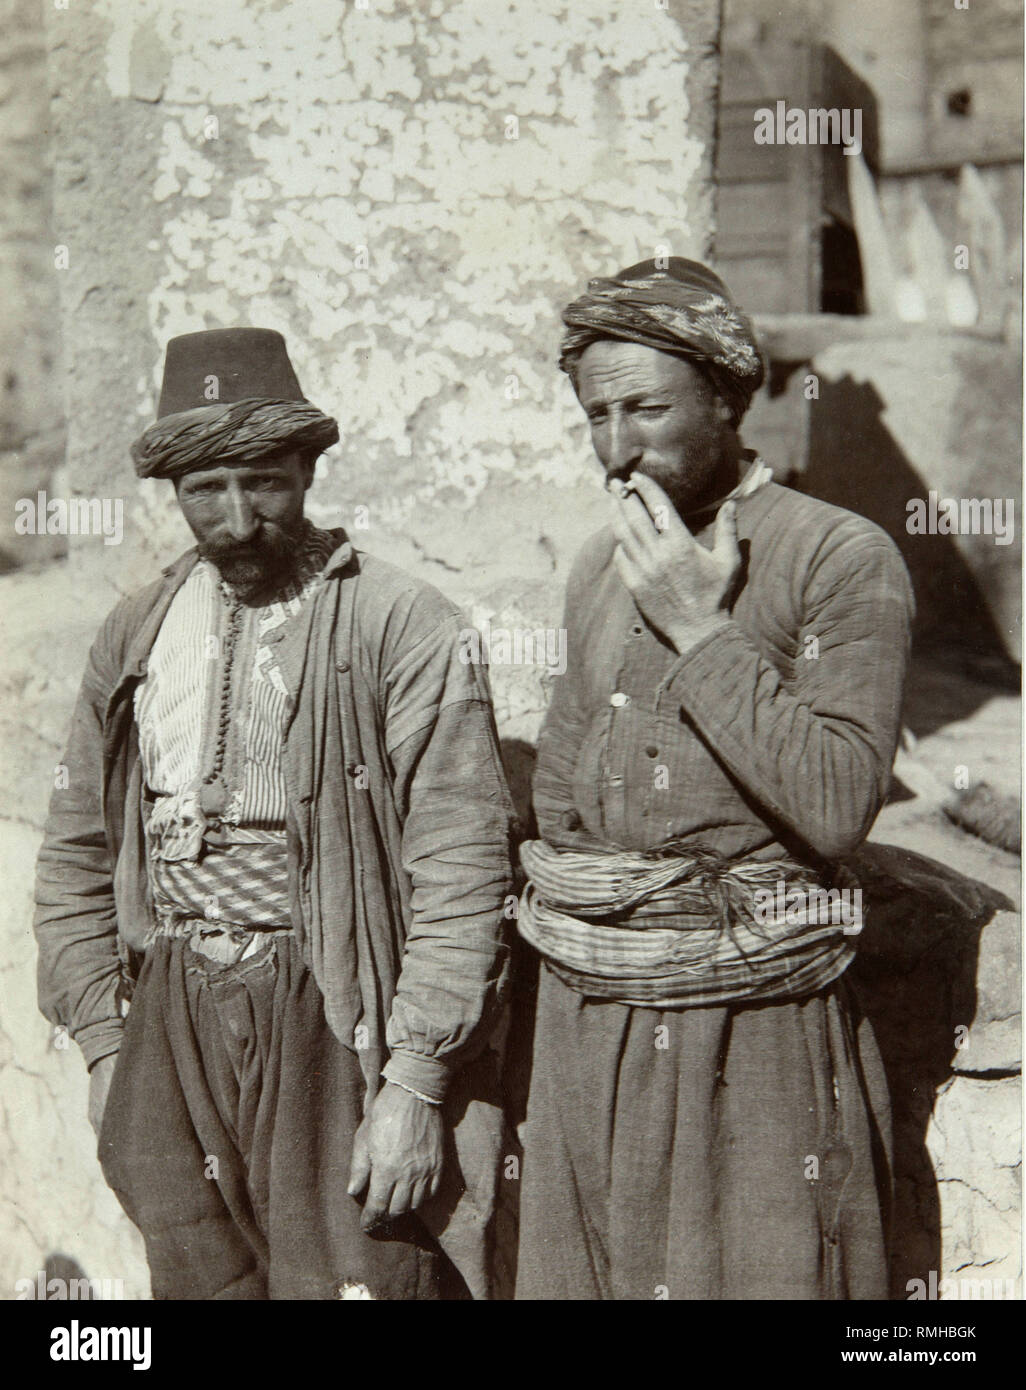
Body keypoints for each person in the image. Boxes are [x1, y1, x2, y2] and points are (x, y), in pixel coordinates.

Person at [34, 328, 514, 1300]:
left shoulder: (403, 623)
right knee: (200, 1277)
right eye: (204, 490)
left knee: (356, 1272)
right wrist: (104, 1046)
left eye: (265, 483)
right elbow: (76, 848)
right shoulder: (136, 631)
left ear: (308, 470)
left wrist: (415, 1082)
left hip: (333, 1005)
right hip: (173, 1008)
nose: (238, 518)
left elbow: (465, 867)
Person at [515, 258, 914, 1300]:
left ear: (730, 399)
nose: (616, 449)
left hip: (753, 1026)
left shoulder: (840, 555)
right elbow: (563, 800)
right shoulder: (599, 565)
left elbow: (837, 804)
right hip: (593, 1011)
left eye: (646, 409)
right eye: (596, 416)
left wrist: (699, 626)